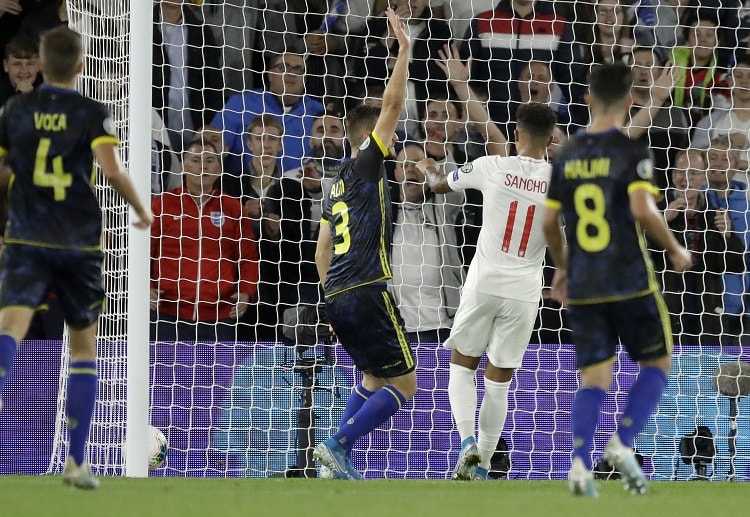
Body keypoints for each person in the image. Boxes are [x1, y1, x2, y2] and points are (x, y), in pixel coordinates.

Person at [0, 25, 153, 489]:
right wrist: (141, 210)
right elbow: (112, 171)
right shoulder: (92, 113)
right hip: (79, 242)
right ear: (82, 66)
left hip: (26, 237)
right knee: (83, 348)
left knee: (9, 330)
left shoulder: (15, 110)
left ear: (40, 65)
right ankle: (76, 462)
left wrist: (22, 189)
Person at [541, 62, 692, 498]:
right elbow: (643, 210)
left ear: (587, 99)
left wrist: (562, 266)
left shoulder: (566, 153)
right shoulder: (632, 151)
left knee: (593, 379)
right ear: (629, 100)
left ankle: (579, 465)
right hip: (630, 280)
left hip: (585, 284)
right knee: (656, 365)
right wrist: (675, 248)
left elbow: (549, 221)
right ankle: (623, 442)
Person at [416, 102, 557, 481]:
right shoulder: (561, 180)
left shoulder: (492, 166)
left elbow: (437, 185)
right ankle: (483, 465)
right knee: (499, 383)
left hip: (484, 284)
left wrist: (427, 167)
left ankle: (467, 443)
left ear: (516, 134)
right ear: (551, 140)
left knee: (462, 366)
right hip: (524, 292)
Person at [313, 7, 415, 480]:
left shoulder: (335, 183)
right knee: (405, 384)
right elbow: (391, 107)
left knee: (372, 377)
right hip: (367, 287)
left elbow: (321, 251)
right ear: (372, 139)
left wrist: (331, 296)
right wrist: (404, 51)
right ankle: (337, 444)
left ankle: (335, 461)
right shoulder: (368, 163)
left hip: (335, 292)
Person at [150, 138, 259, 343]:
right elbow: (143, 252)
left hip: (220, 316)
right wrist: (145, 286)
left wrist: (246, 291)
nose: (203, 166)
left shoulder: (233, 208)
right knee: (166, 366)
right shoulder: (162, 205)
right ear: (183, 166)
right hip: (167, 314)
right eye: (196, 160)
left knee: (217, 367)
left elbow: (248, 257)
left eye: (209, 160)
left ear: (219, 168)